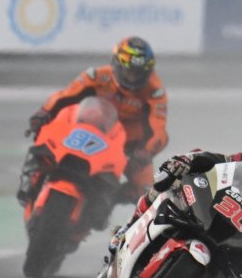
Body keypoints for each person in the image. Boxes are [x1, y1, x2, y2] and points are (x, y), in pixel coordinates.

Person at [105, 136, 242, 278]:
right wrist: (187, 162)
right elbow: (221, 160)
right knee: (169, 183)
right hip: (216, 212)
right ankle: (128, 227)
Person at [19, 37, 168, 215]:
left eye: (138, 74)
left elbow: (159, 131)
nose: (133, 78)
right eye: (129, 72)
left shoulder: (155, 91)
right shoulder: (96, 75)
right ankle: (31, 182)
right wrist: (43, 112)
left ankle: (109, 204)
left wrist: (145, 153)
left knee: (148, 192)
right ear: (117, 64)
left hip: (128, 143)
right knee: (46, 137)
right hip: (88, 127)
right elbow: (64, 96)